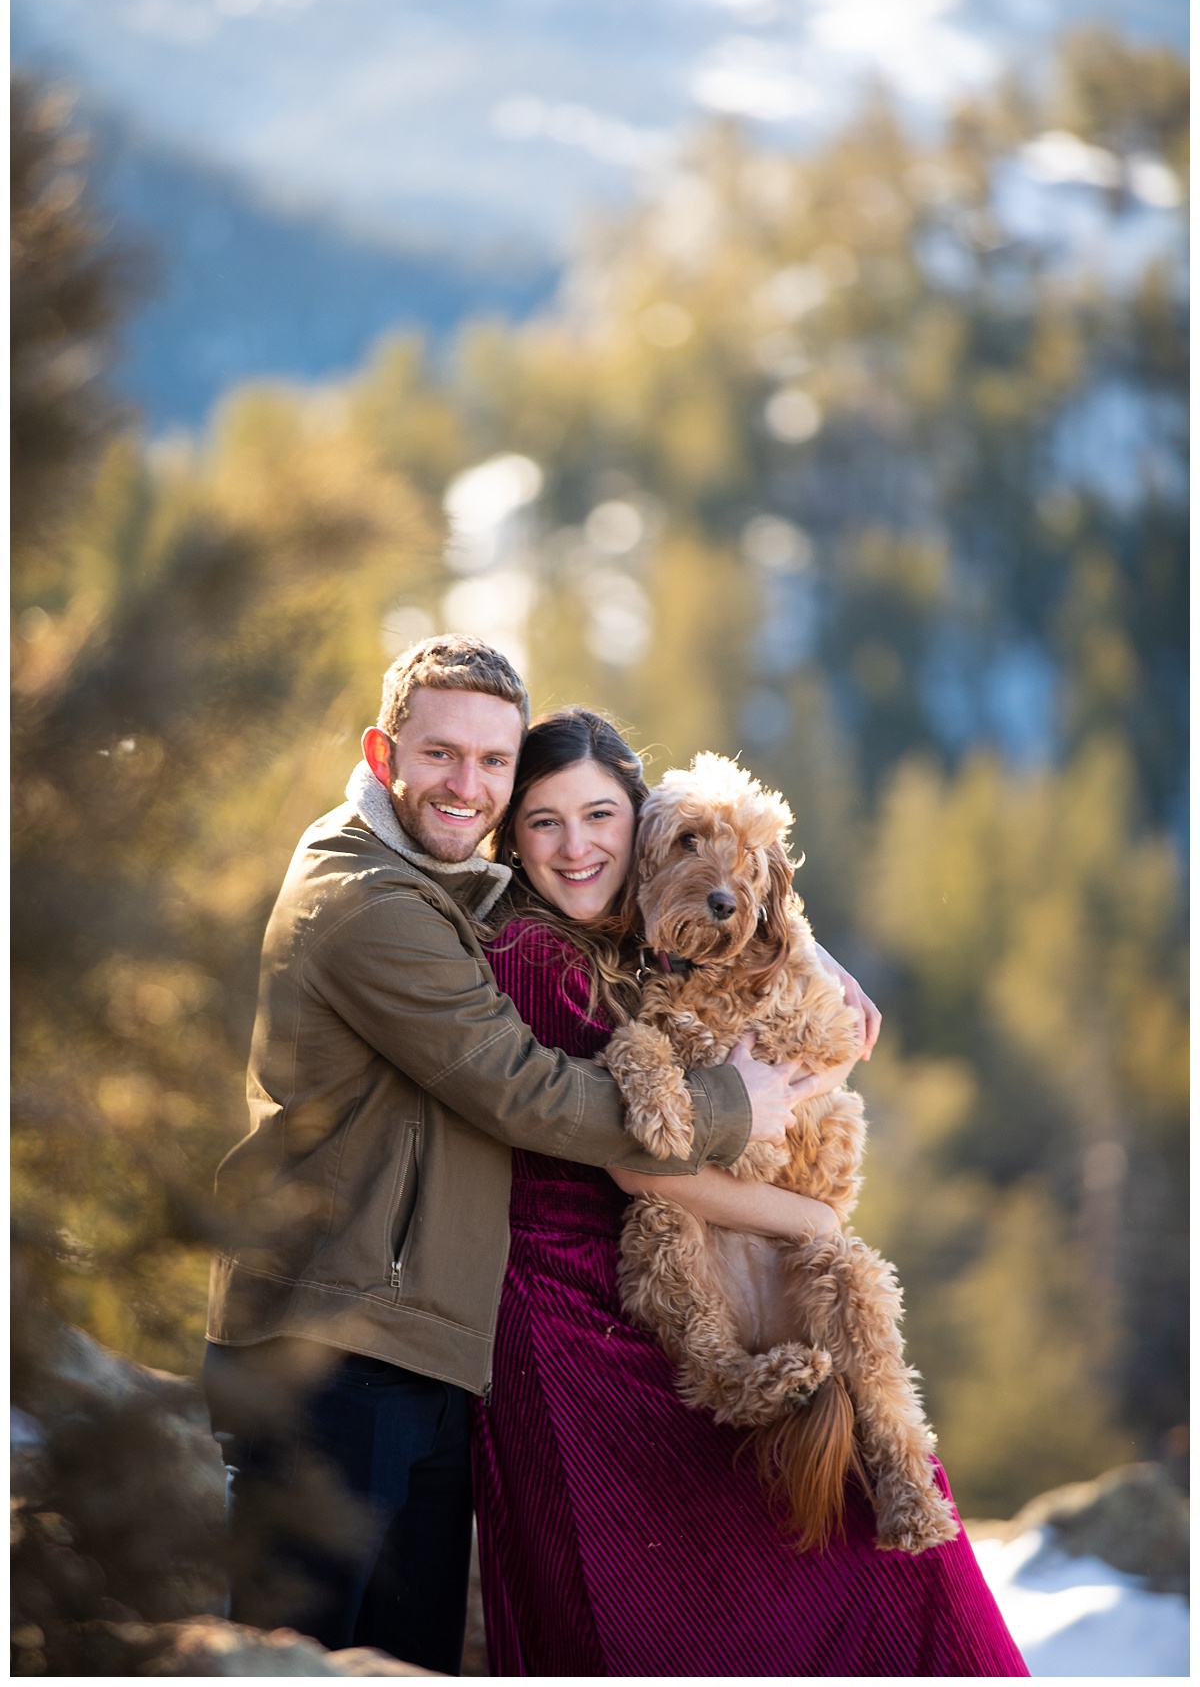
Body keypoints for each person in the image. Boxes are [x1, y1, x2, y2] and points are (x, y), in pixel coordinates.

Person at [203, 635, 877, 1674]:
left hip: (415, 1343)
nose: (467, 784)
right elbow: (529, 1092)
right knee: (306, 1656)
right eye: (440, 755)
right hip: (331, 1342)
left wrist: (787, 929)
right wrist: (727, 1104)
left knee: (402, 1657)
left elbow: (637, 842)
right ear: (385, 753)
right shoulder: (371, 903)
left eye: (491, 760)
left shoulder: (446, 877)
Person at [472, 706, 1029, 1677]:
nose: (577, 846)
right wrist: (810, 1217)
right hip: (574, 1314)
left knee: (850, 1517)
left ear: (634, 824)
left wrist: (808, 949)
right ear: (510, 836)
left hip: (628, 1285)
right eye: (544, 822)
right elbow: (643, 1166)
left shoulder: (619, 931)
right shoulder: (536, 953)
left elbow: (736, 886)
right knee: (676, 1603)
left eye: (600, 815)